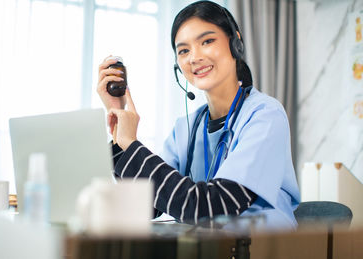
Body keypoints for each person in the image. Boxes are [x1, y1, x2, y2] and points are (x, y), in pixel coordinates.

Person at [97, 0, 300, 229]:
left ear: (236, 43)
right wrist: (118, 120)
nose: (194, 57)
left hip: (261, 248)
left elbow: (211, 207)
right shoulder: (186, 127)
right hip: (206, 247)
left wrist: (131, 143)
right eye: (184, 50)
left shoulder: (265, 115)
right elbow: (146, 204)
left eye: (207, 41)